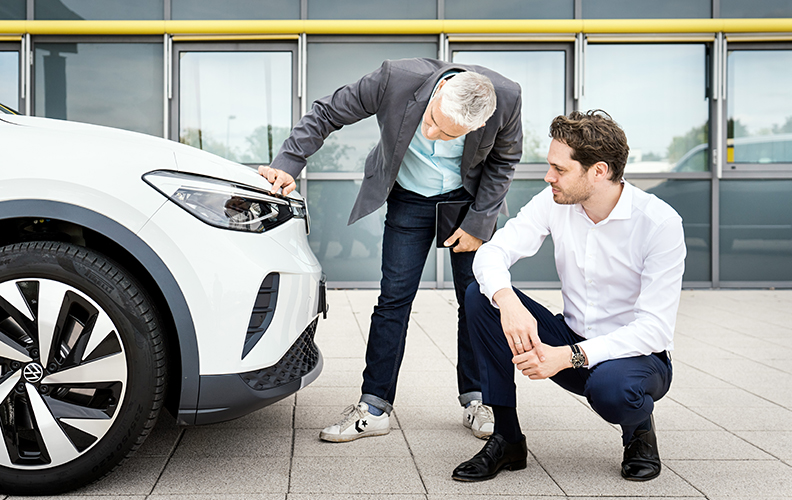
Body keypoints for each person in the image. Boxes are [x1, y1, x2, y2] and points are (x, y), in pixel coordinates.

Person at [257, 58, 523, 442]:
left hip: (468, 202)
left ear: (477, 125)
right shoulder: (395, 79)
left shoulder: (508, 98)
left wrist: (479, 223)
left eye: (446, 134)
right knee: (393, 300)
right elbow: (327, 111)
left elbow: (504, 161)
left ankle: (478, 399)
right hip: (409, 198)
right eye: (431, 119)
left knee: (477, 301)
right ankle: (374, 406)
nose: (430, 133)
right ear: (441, 91)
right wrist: (289, 162)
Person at [451, 110, 685, 483]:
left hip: (635, 360)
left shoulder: (659, 223)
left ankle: (639, 432)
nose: (549, 177)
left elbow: (654, 329)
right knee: (482, 297)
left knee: (613, 389)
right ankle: (507, 439)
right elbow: (491, 254)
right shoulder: (554, 201)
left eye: (559, 169)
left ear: (599, 171)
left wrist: (569, 356)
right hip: (569, 340)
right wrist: (508, 302)